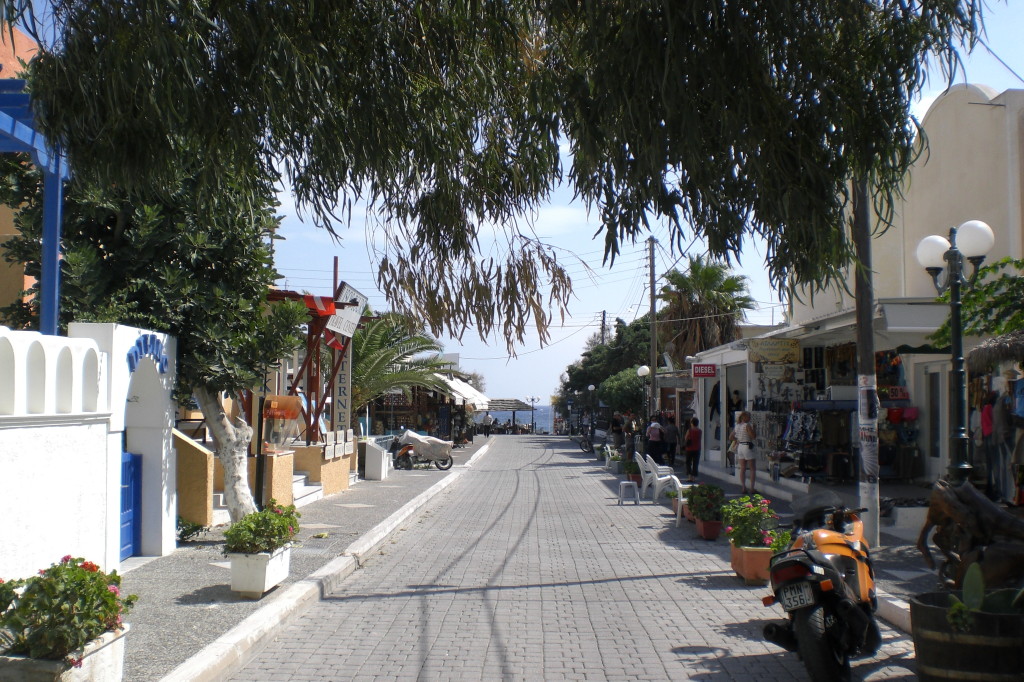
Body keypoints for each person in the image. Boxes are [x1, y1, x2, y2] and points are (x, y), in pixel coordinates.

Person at [732, 411, 757, 494]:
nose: (750, 418)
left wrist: (738, 440)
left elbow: (730, 437)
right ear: (745, 417)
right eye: (749, 416)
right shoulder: (747, 425)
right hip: (747, 446)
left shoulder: (737, 426)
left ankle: (743, 487)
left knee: (742, 468)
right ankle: (752, 488)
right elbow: (753, 436)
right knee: (752, 468)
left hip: (740, 446)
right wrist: (754, 429)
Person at [683, 417, 702, 482]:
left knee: (688, 462)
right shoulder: (699, 431)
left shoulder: (689, 430)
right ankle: (694, 477)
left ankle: (689, 477)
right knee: (695, 463)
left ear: (691, 423)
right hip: (697, 448)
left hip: (689, 448)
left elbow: (686, 438)